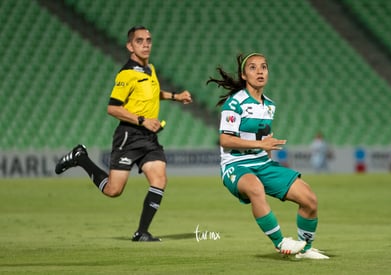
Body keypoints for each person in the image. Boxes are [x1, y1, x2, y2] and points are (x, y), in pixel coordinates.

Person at [55, 26, 192, 242]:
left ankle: (141, 232)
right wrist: (142, 120)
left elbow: (153, 94)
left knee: (159, 179)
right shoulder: (126, 74)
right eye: (140, 41)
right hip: (129, 136)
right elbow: (112, 108)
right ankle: (81, 158)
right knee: (113, 190)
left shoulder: (150, 69)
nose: (146, 44)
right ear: (130, 46)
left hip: (149, 138)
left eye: (148, 40)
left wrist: (176, 96)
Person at [206, 53, 329, 259]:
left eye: (263, 67)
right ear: (244, 75)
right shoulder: (234, 103)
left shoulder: (269, 105)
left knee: (309, 199)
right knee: (255, 188)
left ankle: (305, 249)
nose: (260, 71)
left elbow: (262, 139)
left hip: (263, 164)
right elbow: (225, 140)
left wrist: (267, 147)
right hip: (235, 166)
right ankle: (280, 243)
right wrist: (260, 144)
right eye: (253, 68)